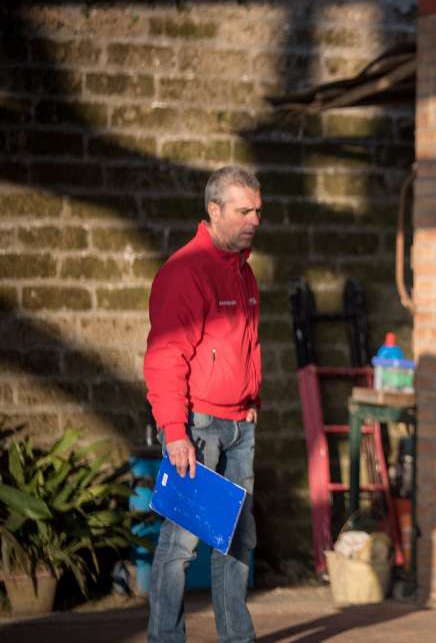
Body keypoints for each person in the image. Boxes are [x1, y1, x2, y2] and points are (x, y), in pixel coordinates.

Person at [144, 166, 263, 643]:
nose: (254, 219)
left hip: (239, 427)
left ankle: (237, 637)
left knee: (237, 541)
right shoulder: (184, 273)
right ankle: (165, 638)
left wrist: (251, 399)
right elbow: (165, 358)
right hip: (199, 428)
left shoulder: (244, 272)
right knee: (181, 547)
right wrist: (175, 431)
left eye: (258, 210)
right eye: (244, 211)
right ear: (214, 211)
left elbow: (246, 345)